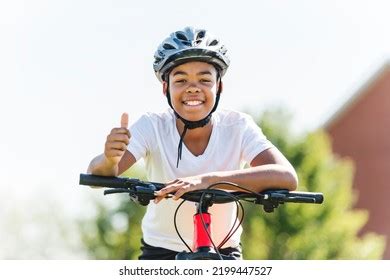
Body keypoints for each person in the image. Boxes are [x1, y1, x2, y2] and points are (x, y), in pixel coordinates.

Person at [87, 26, 298, 260]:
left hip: (224, 251)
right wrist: (109, 159)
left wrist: (205, 181)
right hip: (161, 253)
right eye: (181, 80)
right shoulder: (152, 126)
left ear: (219, 86)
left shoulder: (238, 126)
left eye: (205, 79)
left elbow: (286, 177)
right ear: (165, 88)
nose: (193, 87)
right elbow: (99, 174)